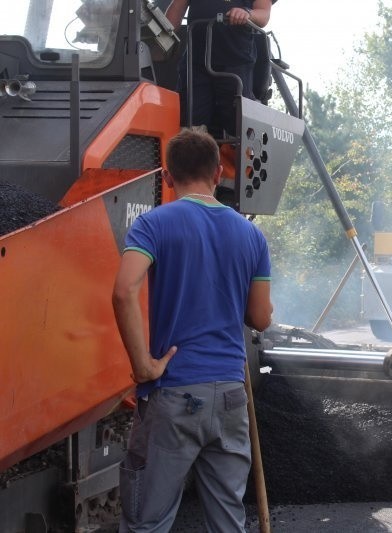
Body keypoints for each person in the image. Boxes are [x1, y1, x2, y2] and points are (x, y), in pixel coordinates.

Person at [112, 129, 273, 531]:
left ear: (167, 176)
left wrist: (144, 367)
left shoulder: (153, 225)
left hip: (176, 394)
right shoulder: (252, 235)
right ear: (219, 174)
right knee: (226, 522)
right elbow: (261, 318)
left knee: (148, 521)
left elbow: (123, 291)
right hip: (232, 395)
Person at [165, 0, 276, 138]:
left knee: (236, 119)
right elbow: (175, 11)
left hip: (235, 61)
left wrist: (247, 13)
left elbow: (263, 13)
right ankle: (193, 152)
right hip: (196, 61)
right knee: (190, 119)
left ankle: (236, 147)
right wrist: (160, 38)